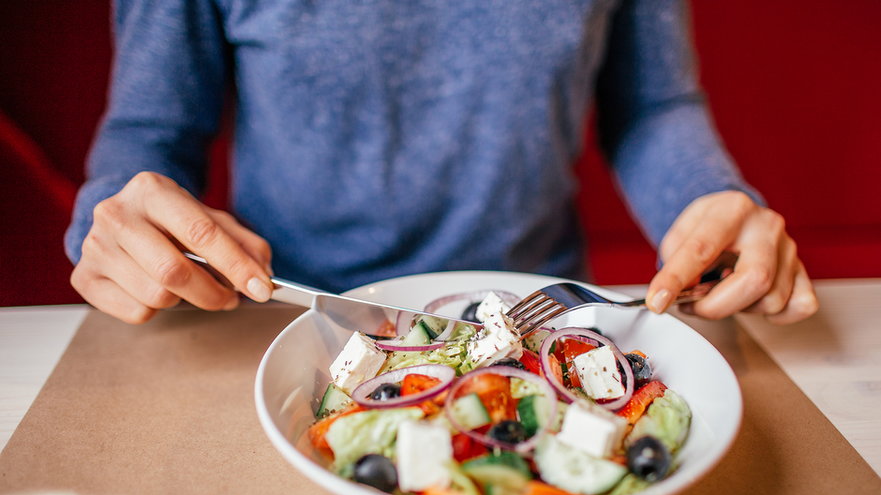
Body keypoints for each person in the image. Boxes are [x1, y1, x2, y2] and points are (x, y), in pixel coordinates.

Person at [65, 0, 818, 326]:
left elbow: (651, 103)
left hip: (542, 317)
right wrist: (114, 213)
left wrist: (711, 200)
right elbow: (149, 129)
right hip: (284, 320)